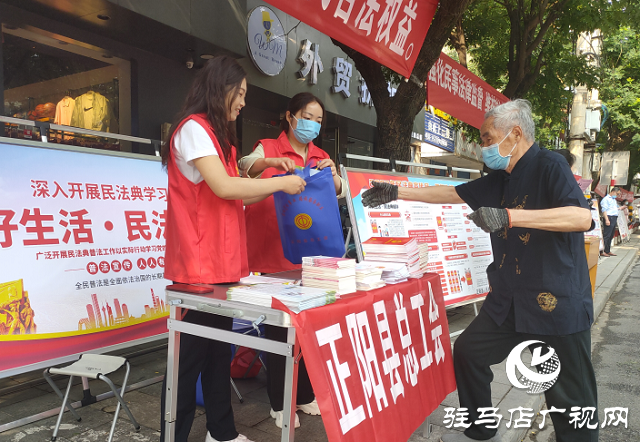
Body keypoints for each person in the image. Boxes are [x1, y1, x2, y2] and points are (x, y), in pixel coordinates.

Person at [362, 99, 598, 442]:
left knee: (568, 398)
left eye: (488, 138)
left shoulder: (550, 166)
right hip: (509, 299)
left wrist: (509, 217)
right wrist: (397, 191)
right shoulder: (500, 178)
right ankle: (481, 428)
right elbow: (450, 193)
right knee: (469, 352)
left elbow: (581, 217)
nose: (483, 146)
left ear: (515, 134)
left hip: (554, 302)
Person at [159, 56, 306, 442]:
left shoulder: (218, 138)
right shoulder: (193, 129)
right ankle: (173, 435)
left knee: (217, 351)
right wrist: (278, 183)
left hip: (221, 265)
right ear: (218, 88)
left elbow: (239, 196)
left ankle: (221, 432)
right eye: (239, 93)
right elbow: (225, 187)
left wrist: (274, 179)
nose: (242, 102)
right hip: (198, 266)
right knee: (188, 361)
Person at [238, 92, 346, 428]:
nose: (312, 124)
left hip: (311, 253)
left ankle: (304, 394)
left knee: (308, 329)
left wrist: (334, 175)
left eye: (318, 120)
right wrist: (270, 162)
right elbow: (245, 166)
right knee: (279, 331)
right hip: (273, 253)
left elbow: (339, 190)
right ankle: (279, 402)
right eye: (307, 117)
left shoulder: (320, 155)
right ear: (290, 116)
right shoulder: (268, 147)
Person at [600, 187, 621, 257]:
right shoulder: (606, 199)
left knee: (611, 235)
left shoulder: (613, 200)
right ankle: (602, 251)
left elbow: (613, 208)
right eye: (617, 194)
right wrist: (607, 219)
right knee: (607, 235)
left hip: (614, 217)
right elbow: (604, 210)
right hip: (609, 217)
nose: (617, 195)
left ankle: (607, 250)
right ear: (613, 192)